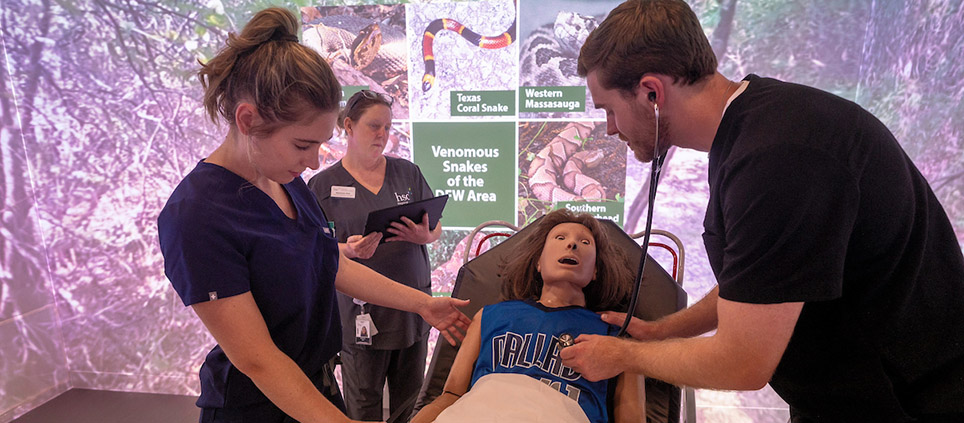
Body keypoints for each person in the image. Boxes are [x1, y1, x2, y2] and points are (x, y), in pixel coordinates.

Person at [559, 1, 964, 422]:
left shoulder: (778, 158)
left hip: (908, 403)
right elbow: (762, 280)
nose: (610, 127)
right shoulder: (758, 126)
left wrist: (625, 356)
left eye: (608, 109)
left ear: (651, 93)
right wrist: (664, 330)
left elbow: (742, 362)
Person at [156, 8, 469, 423]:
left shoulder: (285, 182)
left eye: (319, 145)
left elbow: (327, 262)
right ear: (247, 120)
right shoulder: (197, 214)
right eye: (302, 145)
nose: (311, 162)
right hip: (258, 406)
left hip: (316, 385)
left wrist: (422, 304)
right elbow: (258, 359)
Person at [412, 209, 645, 423]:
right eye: (560, 238)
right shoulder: (490, 317)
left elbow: (632, 420)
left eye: (584, 242)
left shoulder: (617, 335)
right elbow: (452, 394)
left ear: (595, 270)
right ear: (538, 262)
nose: (572, 244)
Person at [307, 90, 441, 422]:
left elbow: (435, 229)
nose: (382, 135)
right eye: (374, 126)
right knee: (363, 407)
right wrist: (347, 250)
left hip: (412, 310)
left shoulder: (407, 173)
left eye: (387, 127)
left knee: (409, 407)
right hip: (360, 318)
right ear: (348, 126)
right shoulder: (323, 185)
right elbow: (312, 250)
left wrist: (425, 235)